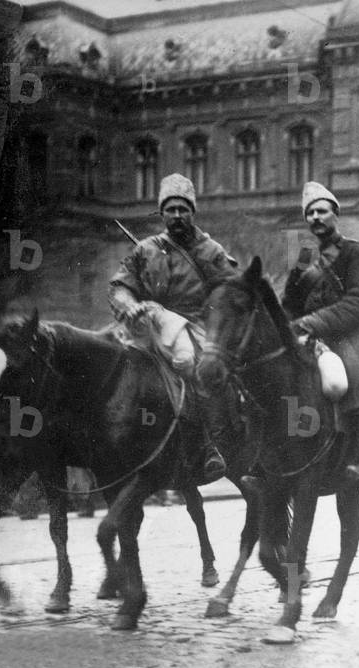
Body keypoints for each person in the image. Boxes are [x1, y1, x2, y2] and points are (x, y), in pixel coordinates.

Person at [108, 173, 236, 484]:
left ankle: (210, 446)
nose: (177, 216)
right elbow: (119, 286)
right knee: (108, 359)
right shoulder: (146, 249)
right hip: (147, 324)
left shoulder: (211, 251)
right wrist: (129, 305)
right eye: (170, 209)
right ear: (162, 213)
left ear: (193, 212)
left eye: (183, 209)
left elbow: (231, 292)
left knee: (192, 365)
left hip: (195, 326)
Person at [281, 181, 359, 483]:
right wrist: (291, 326)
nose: (315, 218)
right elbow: (290, 302)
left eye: (322, 211)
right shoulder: (303, 256)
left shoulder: (354, 253)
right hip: (308, 335)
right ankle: (289, 452)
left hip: (346, 332)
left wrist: (313, 323)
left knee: (358, 372)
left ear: (336, 214)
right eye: (309, 214)